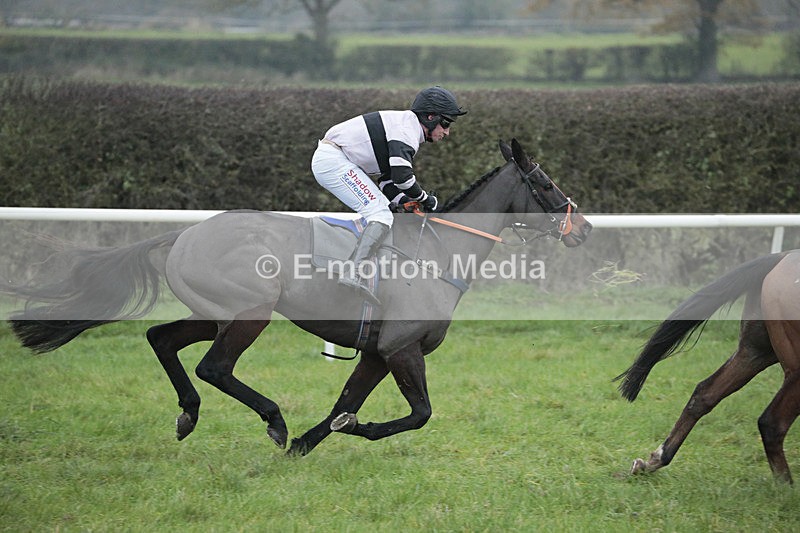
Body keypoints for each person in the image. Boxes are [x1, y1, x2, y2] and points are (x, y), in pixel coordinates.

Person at [311, 86, 467, 305]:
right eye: (446, 123)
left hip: (337, 160)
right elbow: (403, 177)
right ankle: (353, 271)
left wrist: (403, 202)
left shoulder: (405, 127)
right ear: (431, 117)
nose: (447, 132)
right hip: (333, 161)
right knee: (381, 214)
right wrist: (425, 199)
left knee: (386, 210)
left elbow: (387, 180)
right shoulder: (407, 131)